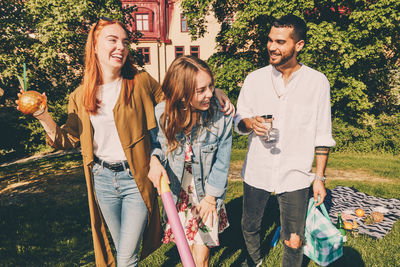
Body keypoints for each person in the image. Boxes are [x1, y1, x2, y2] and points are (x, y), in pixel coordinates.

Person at [16, 18, 234, 267]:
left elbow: (175, 95)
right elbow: (67, 139)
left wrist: (211, 91)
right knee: (122, 249)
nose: (121, 46)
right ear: (95, 45)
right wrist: (43, 116)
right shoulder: (80, 95)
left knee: (126, 257)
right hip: (103, 180)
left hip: (135, 178)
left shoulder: (139, 82)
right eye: (113, 40)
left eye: (125, 42)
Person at [234, 14, 336, 267]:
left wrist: (319, 178)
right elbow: (238, 120)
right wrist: (249, 123)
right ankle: (255, 261)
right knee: (249, 226)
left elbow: (322, 133)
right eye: (270, 40)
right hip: (257, 168)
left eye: (280, 42)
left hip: (295, 173)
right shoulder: (254, 79)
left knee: (294, 236)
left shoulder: (317, 82)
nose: (271, 47)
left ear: (298, 45)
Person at [148, 55, 232, 267]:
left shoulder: (221, 114)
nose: (210, 94)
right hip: (178, 193)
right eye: (201, 90)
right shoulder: (162, 113)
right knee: (187, 253)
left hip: (206, 193)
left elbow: (222, 161)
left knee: (201, 258)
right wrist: (154, 160)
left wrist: (212, 197)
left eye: (211, 86)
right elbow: (156, 147)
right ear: (182, 92)